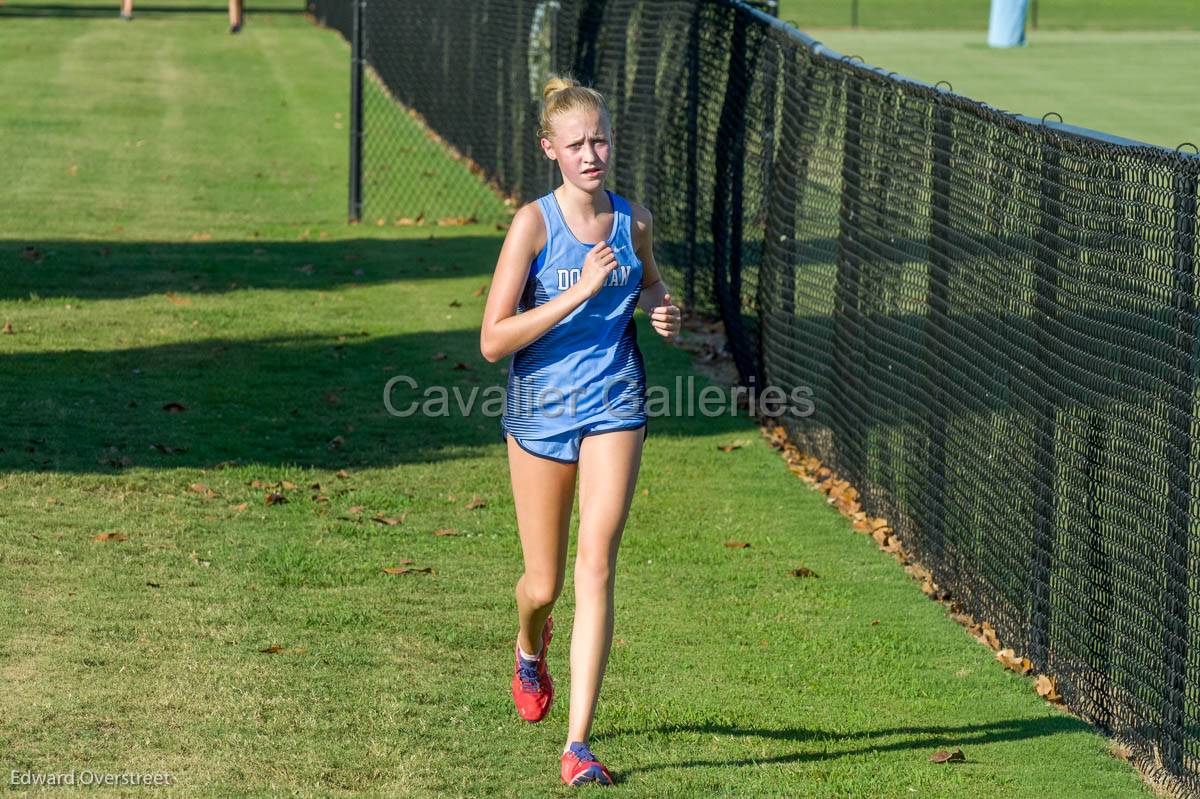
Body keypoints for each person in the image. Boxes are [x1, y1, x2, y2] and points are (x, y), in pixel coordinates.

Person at [479, 73, 682, 786]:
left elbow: (651, 282)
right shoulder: (533, 225)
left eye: (599, 139)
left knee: (596, 560)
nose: (591, 154)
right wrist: (580, 292)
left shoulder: (633, 221)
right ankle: (529, 645)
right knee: (543, 581)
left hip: (615, 404)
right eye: (576, 144)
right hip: (538, 413)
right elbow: (493, 340)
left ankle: (578, 745)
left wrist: (661, 308)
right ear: (550, 151)